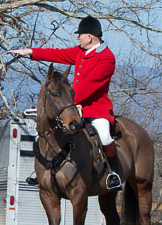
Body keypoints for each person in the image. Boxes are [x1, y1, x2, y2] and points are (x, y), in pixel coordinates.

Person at [7, 15, 122, 190]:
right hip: (71, 108)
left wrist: (67, 102)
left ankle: (114, 174)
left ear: (89, 37)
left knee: (104, 135)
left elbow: (89, 86)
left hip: (95, 110)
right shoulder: (80, 52)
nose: (78, 38)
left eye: (80, 35)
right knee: (46, 134)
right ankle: (43, 172)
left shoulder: (106, 58)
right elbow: (58, 54)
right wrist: (31, 52)